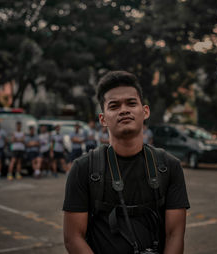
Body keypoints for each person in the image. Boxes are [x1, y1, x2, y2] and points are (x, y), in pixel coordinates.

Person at [63, 70, 190, 254]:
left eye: (131, 103)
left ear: (145, 111)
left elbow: (175, 234)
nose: (124, 110)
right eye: (114, 106)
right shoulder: (84, 169)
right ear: (103, 119)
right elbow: (73, 238)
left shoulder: (169, 166)